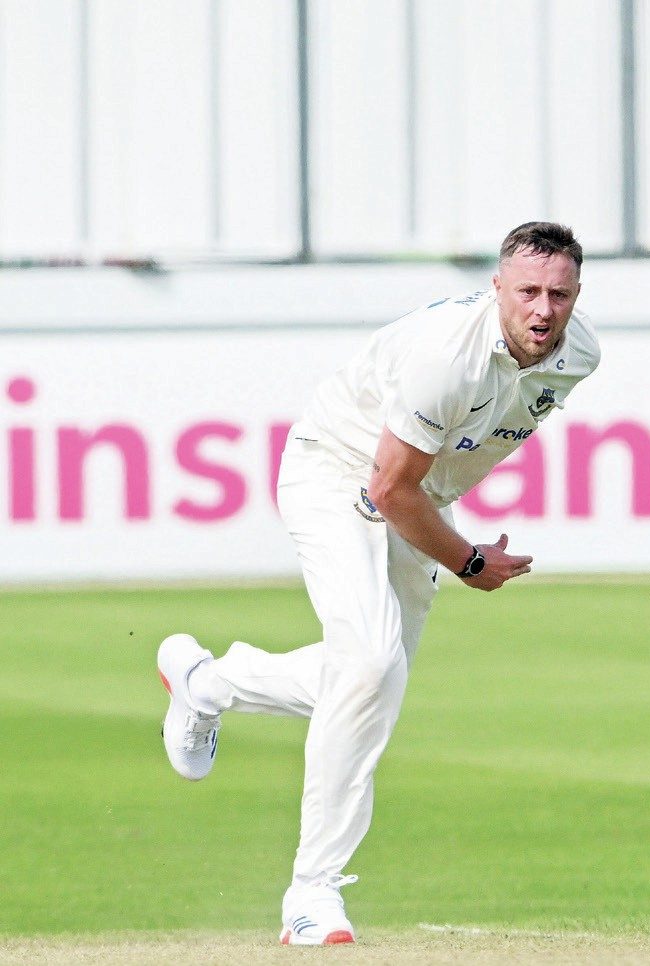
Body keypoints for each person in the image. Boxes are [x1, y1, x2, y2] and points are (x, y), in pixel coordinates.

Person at [156, 221, 600, 945]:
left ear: (578, 294)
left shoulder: (580, 355)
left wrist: (445, 531)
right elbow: (389, 487)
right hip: (337, 472)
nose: (543, 310)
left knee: (372, 679)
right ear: (498, 289)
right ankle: (311, 894)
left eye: (559, 293)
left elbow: (429, 476)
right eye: (527, 292)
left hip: (416, 493)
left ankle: (210, 684)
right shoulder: (446, 360)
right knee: (369, 663)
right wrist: (467, 562)